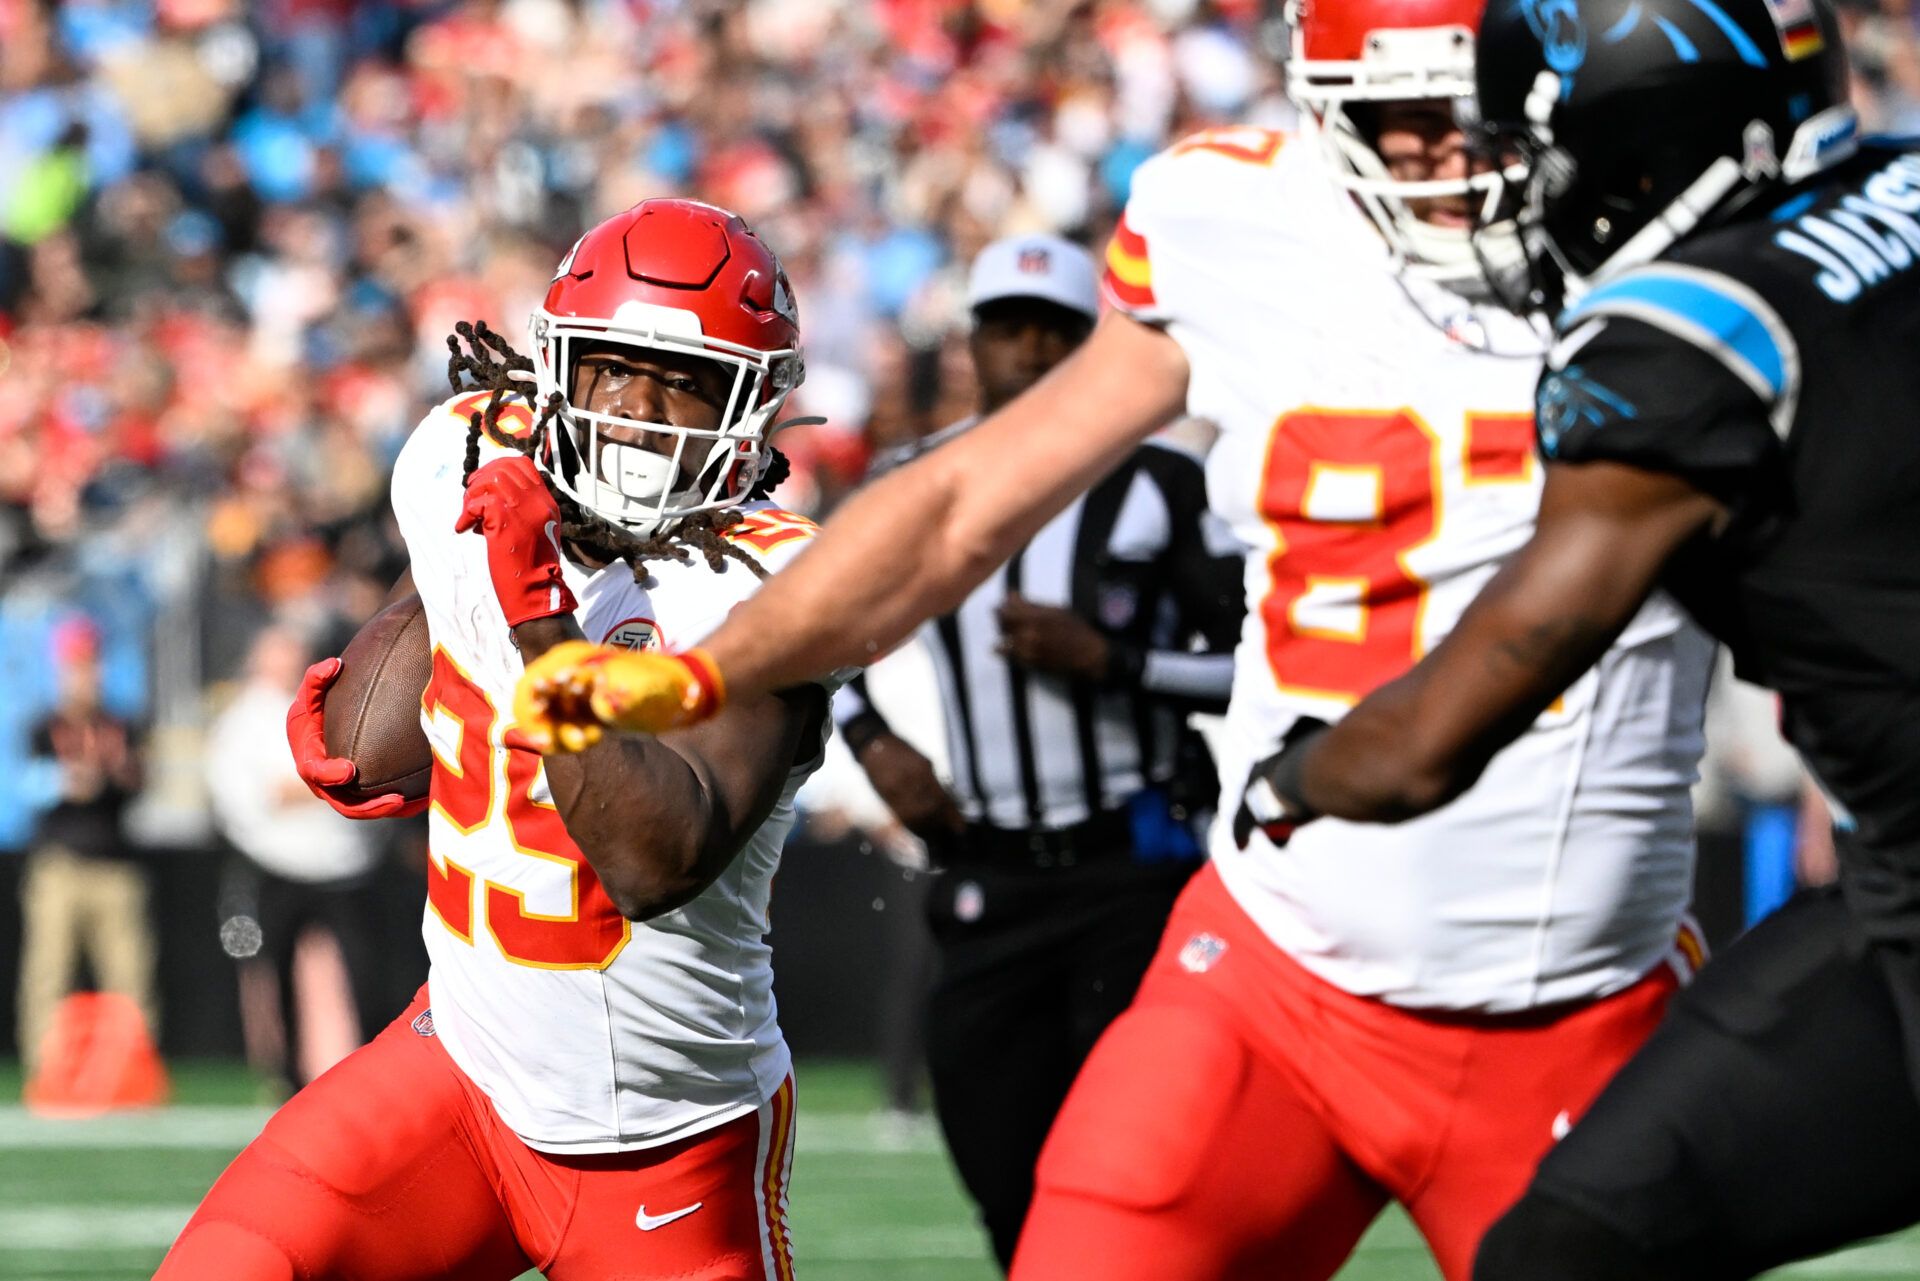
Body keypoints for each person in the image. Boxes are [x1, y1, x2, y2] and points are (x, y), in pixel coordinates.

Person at [513, 5, 1718, 1277]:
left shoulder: (1689, 230)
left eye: (1462, 110)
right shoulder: (1232, 215)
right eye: (1389, 114)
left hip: (1569, 989)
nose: (1433, 156)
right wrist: (711, 669)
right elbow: (963, 504)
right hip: (1275, 967)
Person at [1217, 2, 1920, 1276]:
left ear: (1634, 135)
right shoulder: (1896, 182)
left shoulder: (1678, 345)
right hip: (1891, 906)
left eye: (1542, 147)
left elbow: (1430, 743)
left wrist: (1294, 777)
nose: (1531, 190)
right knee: (1567, 1248)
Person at [157, 198, 838, 1281]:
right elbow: (357, 760)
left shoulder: (771, 584)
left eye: (688, 382)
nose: (643, 413)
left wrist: (533, 609)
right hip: (459, 1076)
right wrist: (460, 563)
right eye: (615, 368)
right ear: (558, 369)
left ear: (753, 410)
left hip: (668, 1150)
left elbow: (647, 857)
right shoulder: (480, 461)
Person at [832, 232, 1243, 1268]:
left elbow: (1263, 665)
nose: (1028, 350)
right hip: (989, 870)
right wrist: (873, 740)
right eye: (1008, 329)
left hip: (1135, 869)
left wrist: (1118, 661)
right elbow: (810, 631)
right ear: (975, 344)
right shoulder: (916, 478)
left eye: (1052, 330)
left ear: (1090, 341)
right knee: (1002, 1179)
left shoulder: (1161, 485)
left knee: (1142, 1185)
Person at [203, 621, 390, 1094]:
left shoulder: (337, 705)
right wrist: (324, 784)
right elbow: (255, 800)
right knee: (274, 973)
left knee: (365, 972)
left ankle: (373, 1068)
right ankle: (284, 1076)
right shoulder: (245, 721)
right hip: (276, 867)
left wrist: (312, 787)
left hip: (344, 868)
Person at [16, 615, 153, 1072]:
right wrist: (65, 780)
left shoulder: (120, 725)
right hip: (60, 865)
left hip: (115, 865)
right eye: (75, 666)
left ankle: (130, 1069)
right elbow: (26, 786)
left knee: (129, 974)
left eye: (89, 664)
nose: (84, 675)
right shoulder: (44, 726)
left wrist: (118, 772)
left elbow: (140, 784)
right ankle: (47, 1068)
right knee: (48, 973)